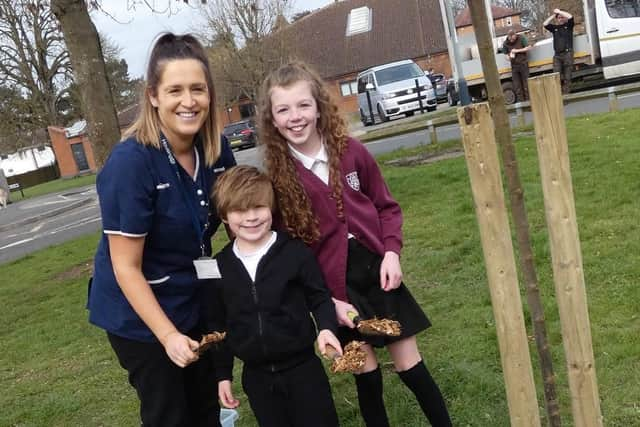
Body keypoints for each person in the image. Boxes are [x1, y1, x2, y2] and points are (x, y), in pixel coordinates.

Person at [258, 61, 452, 427]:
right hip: (336, 290)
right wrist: (325, 300)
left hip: (379, 275)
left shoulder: (351, 152)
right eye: (283, 109)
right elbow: (287, 253)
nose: (295, 117)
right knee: (368, 377)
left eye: (303, 105)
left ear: (318, 107)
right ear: (272, 118)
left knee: (412, 368)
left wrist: (392, 252)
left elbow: (386, 206)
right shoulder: (278, 181)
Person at [87, 33, 236, 427]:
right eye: (175, 90)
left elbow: (240, 220)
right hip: (139, 315)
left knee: (207, 408)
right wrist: (168, 335)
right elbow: (125, 269)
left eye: (198, 89)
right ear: (153, 95)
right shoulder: (131, 164)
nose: (189, 101)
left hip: (193, 295)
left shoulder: (218, 149)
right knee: (169, 413)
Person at [204, 165, 342, 427]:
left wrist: (326, 328)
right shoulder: (218, 267)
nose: (251, 217)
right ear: (224, 215)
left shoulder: (295, 253)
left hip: (303, 370)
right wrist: (223, 375)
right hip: (256, 377)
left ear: (271, 207)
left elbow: (320, 297)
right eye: (240, 210)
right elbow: (217, 325)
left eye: (259, 207)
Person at [544, 8, 575, 94]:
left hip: (568, 54)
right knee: (556, 76)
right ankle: (559, 96)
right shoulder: (554, 28)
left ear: (565, 18)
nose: (561, 19)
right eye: (559, 18)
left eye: (562, 17)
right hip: (557, 56)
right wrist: (554, 15)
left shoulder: (569, 26)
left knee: (567, 77)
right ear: (557, 19)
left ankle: (566, 95)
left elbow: (571, 17)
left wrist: (559, 12)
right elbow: (545, 24)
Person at [502, 29, 532, 102]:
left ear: (515, 35)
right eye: (510, 38)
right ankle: (521, 104)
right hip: (514, 66)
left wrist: (516, 51)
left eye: (513, 38)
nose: (511, 40)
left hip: (523, 64)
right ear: (508, 37)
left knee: (526, 85)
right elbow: (505, 55)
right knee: (517, 86)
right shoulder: (505, 43)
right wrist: (509, 58)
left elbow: (528, 47)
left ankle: (528, 102)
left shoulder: (521, 38)